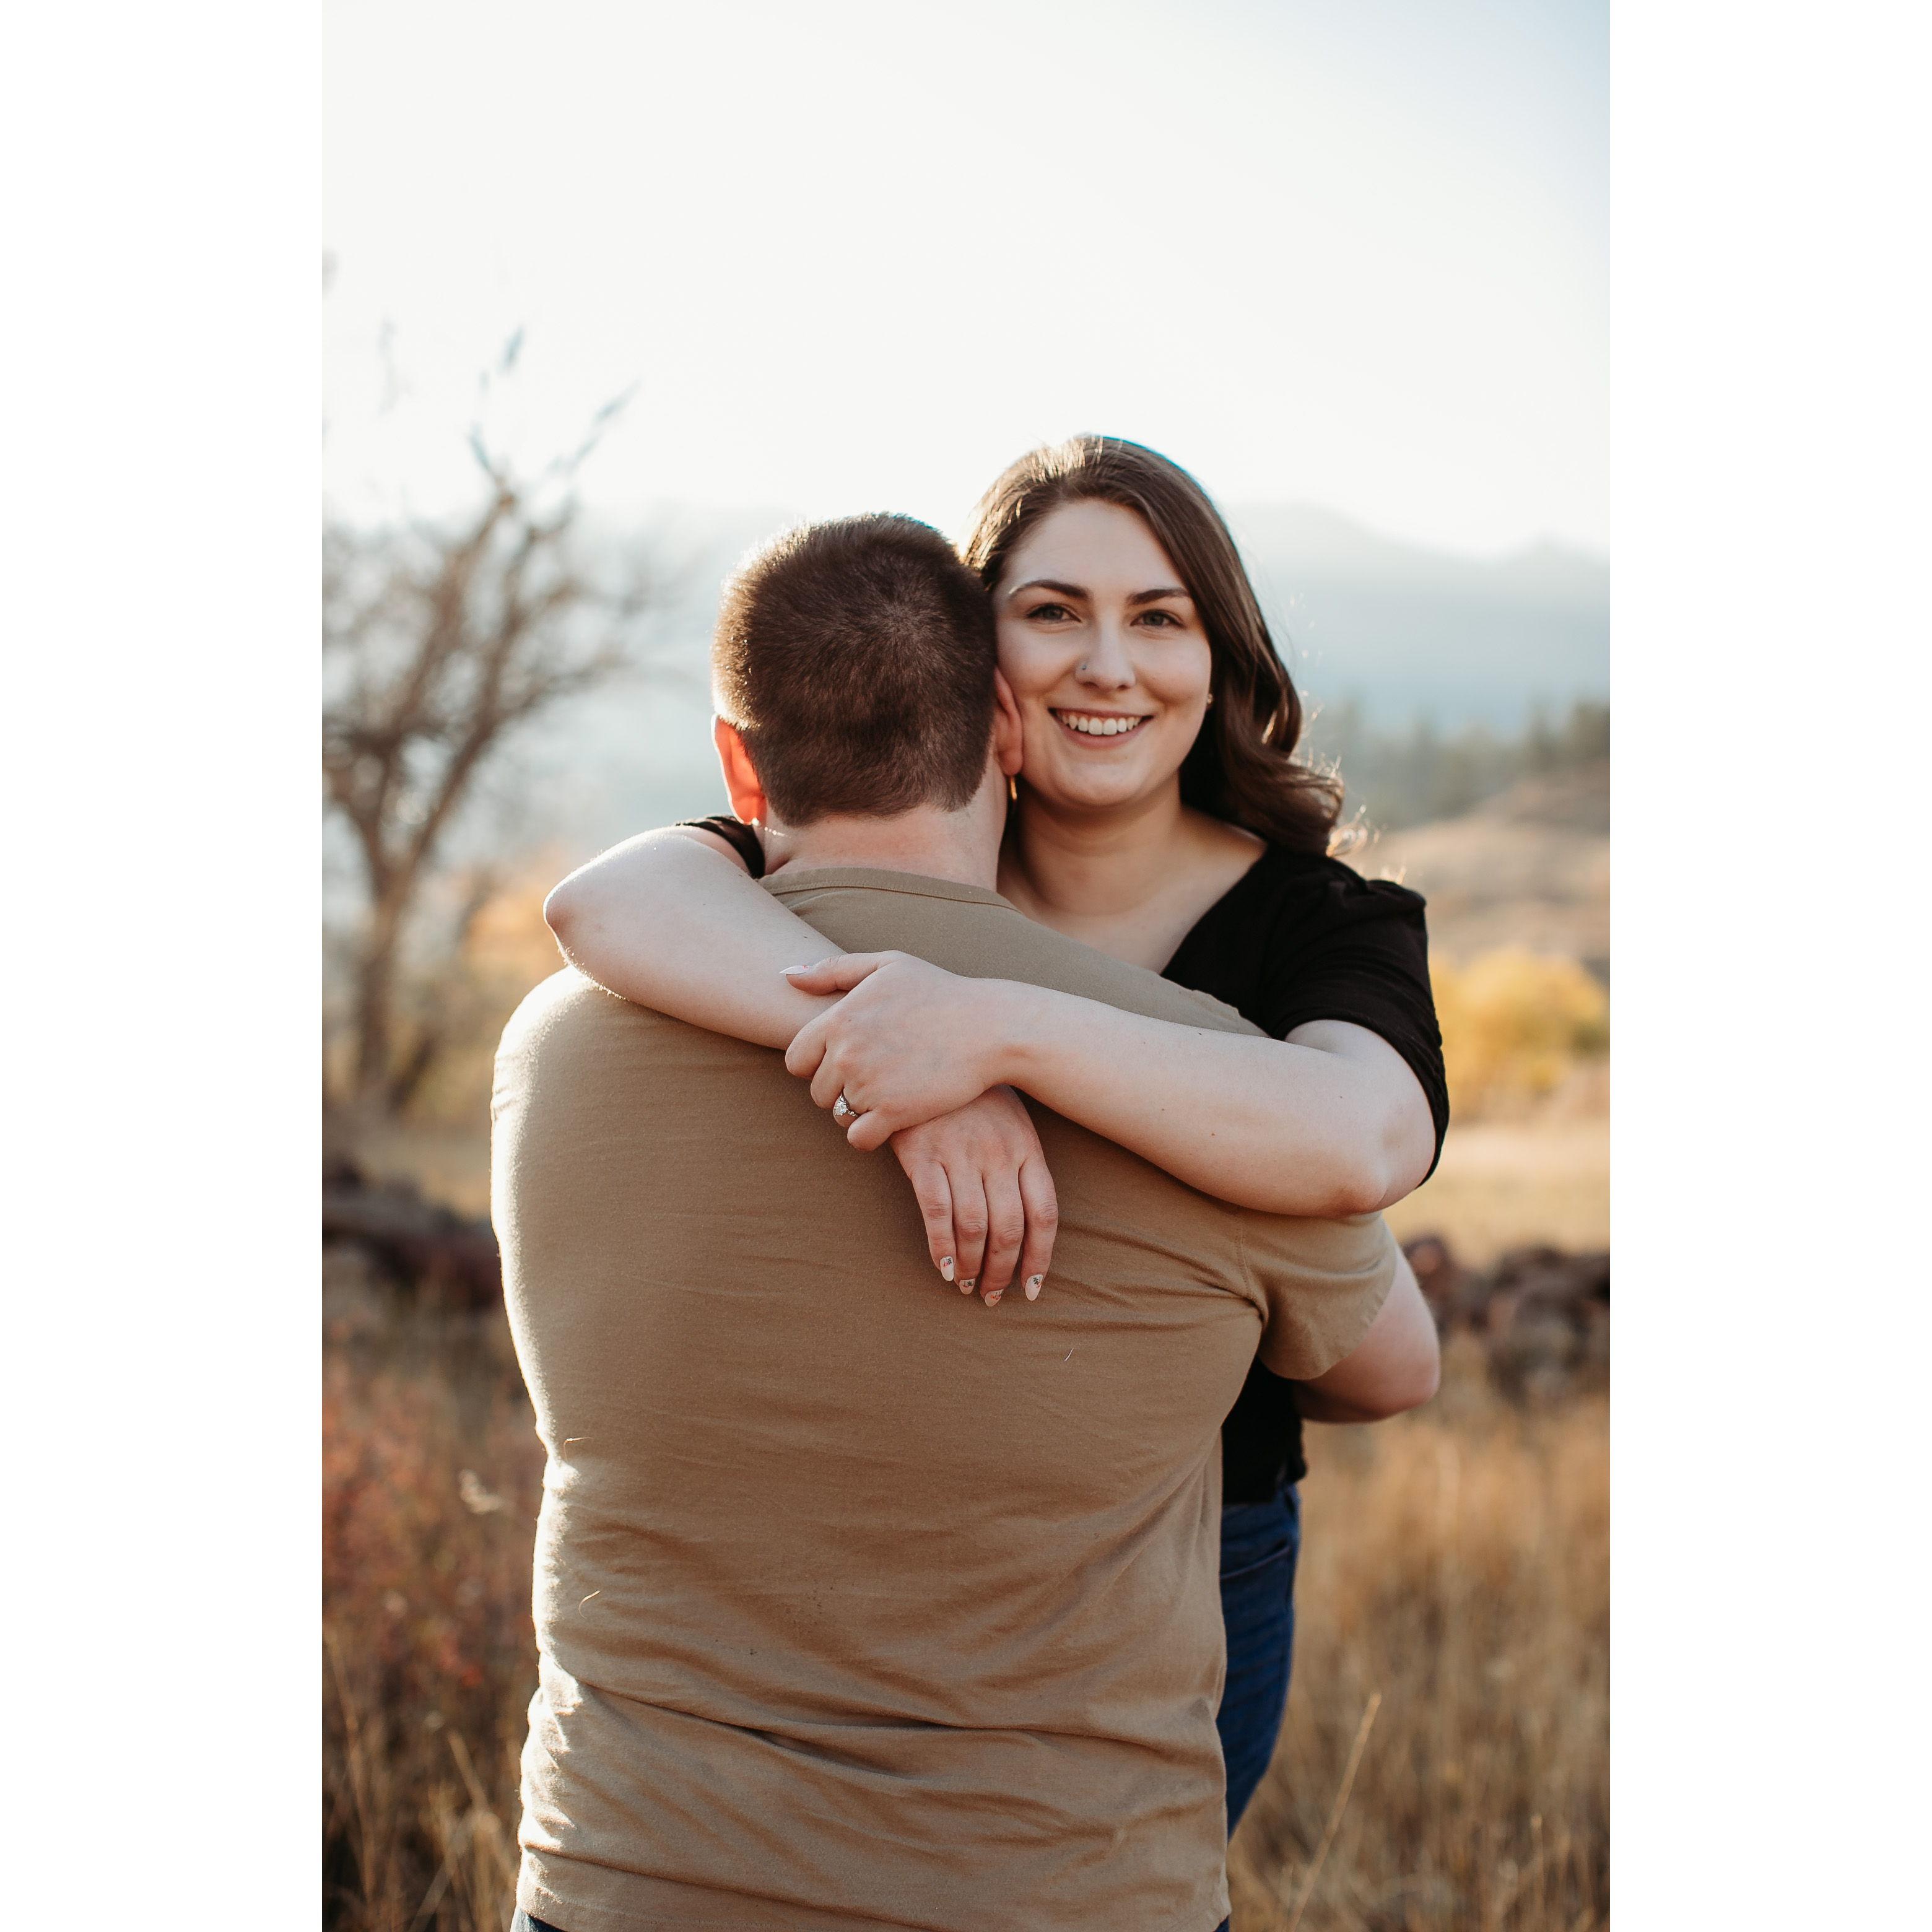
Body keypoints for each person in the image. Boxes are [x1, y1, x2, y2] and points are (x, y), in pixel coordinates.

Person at [497, 512, 1440, 1932]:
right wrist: (917, 1073)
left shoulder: (551, 1053)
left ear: (741, 759)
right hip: (1061, 1887)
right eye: (1058, 614)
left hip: (623, 1880)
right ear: (1002, 721)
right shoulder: (1217, 1078)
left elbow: (1365, 1129)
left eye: (1160, 618)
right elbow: (1395, 1367)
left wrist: (993, 1038)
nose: (1110, 664)